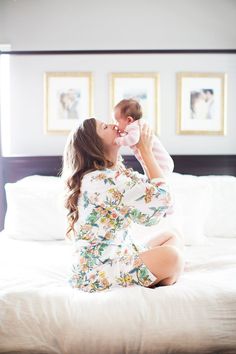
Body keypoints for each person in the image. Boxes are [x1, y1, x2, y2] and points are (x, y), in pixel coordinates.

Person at [62, 118, 184, 293]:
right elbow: (161, 200)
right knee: (172, 256)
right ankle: (166, 273)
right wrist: (146, 151)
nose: (113, 125)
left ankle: (164, 273)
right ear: (93, 145)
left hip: (121, 253)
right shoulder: (100, 180)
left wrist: (142, 154)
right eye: (104, 127)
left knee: (171, 237)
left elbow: (154, 188)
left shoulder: (113, 175)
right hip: (98, 271)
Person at [114, 99, 174, 177]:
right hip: (157, 162)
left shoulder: (135, 127)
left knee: (157, 181)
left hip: (161, 163)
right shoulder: (134, 127)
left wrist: (117, 141)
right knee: (151, 178)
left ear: (129, 120)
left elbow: (132, 139)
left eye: (117, 121)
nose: (115, 124)